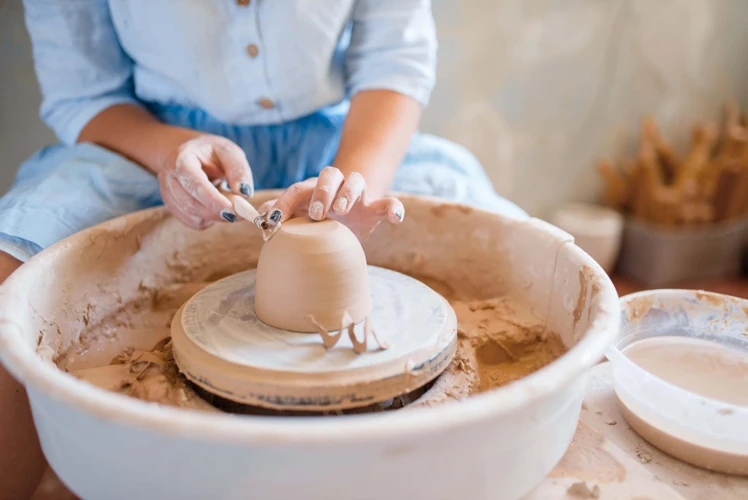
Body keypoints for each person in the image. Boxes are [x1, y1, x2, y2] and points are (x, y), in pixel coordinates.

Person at [0, 1, 526, 496]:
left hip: (341, 142)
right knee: (11, 273)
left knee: (511, 247)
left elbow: (395, 64)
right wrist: (171, 156)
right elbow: (85, 96)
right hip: (158, 145)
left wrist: (356, 180)